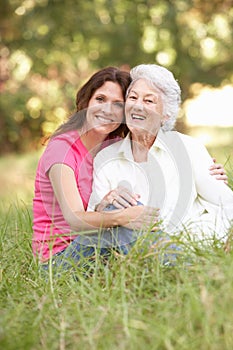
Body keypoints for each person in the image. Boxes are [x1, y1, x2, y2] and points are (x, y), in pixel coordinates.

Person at [32, 65, 228, 272]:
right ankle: (186, 266)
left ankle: (174, 263)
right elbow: (75, 218)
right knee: (119, 212)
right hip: (59, 260)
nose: (107, 110)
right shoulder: (62, 148)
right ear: (85, 101)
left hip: (103, 248)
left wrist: (206, 169)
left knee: (120, 211)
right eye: (100, 99)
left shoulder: (111, 145)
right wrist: (121, 215)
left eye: (118, 104)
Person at [88, 64, 233, 246]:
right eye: (133, 97)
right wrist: (104, 207)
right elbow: (92, 226)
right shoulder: (106, 158)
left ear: (166, 114)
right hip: (130, 255)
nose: (137, 106)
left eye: (149, 101)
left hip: (182, 250)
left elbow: (227, 205)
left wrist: (199, 241)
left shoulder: (189, 149)